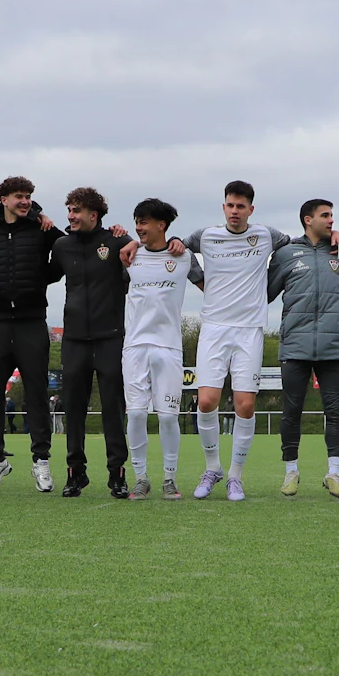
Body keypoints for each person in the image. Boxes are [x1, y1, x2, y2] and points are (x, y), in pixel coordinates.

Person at [179, 181, 292, 500]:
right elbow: (180, 248)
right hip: (214, 328)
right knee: (205, 401)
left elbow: (295, 247)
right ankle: (212, 467)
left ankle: (234, 476)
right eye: (230, 205)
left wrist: (268, 288)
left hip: (250, 330)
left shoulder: (267, 235)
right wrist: (201, 282)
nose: (234, 211)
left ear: (250, 210)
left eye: (241, 206)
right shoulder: (207, 236)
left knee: (245, 404)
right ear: (224, 206)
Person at [269, 198, 339, 500]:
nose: (331, 220)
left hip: (335, 345)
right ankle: (291, 472)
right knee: (291, 411)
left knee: (335, 412)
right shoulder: (285, 254)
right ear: (308, 220)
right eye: (326, 215)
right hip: (295, 345)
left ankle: (334, 474)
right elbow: (266, 291)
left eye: (332, 215)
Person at [0, 176, 62, 493]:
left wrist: (42, 276)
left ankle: (41, 461)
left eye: (28, 196)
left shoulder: (42, 227)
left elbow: (66, 252)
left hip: (31, 321)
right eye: (18, 196)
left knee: (36, 394)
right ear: (3, 199)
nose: (24, 201)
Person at [50, 188, 133, 498]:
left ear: (93, 215)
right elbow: (46, 274)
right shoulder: (61, 245)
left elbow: (147, 254)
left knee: (112, 407)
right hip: (73, 340)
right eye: (69, 209)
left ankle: (117, 475)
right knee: (73, 408)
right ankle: (75, 473)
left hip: (110, 337)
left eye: (77, 210)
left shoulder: (116, 241)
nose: (71, 215)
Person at [124, 198, 190, 500]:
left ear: (161, 225)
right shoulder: (128, 256)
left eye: (144, 221)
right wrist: (125, 239)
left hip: (169, 348)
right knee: (136, 415)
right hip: (135, 347)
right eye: (136, 221)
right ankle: (140, 477)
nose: (139, 227)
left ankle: (169, 478)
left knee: (166, 417)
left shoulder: (184, 256)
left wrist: (178, 241)